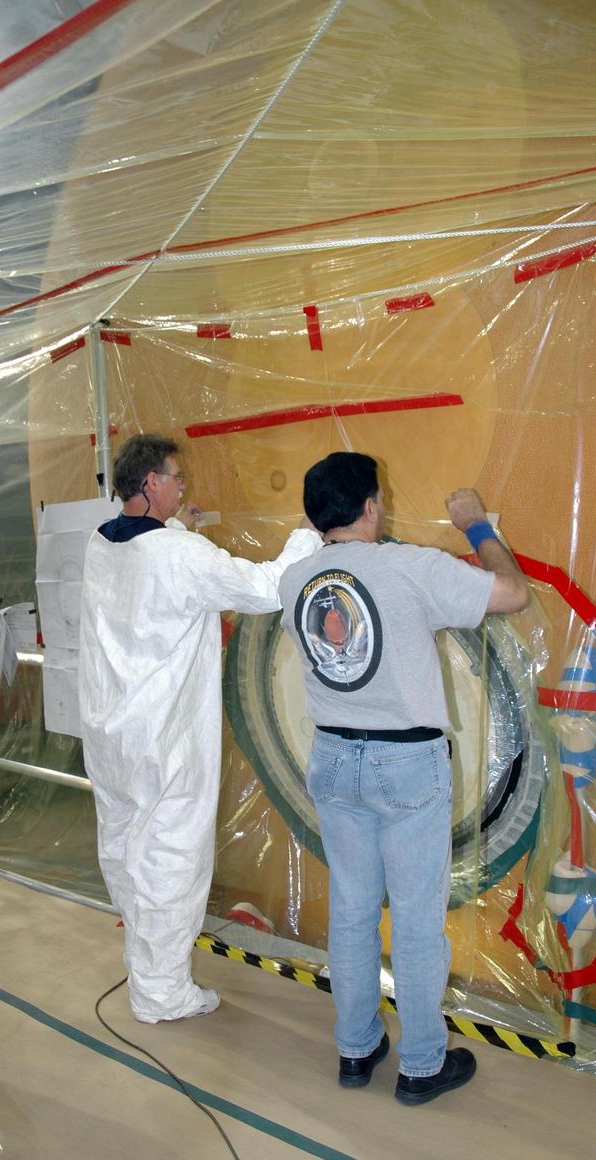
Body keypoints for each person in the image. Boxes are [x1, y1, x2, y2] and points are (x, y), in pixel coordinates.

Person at [279, 452, 529, 1105]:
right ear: (370, 506)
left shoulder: (295, 580)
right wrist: (475, 528)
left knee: (353, 912)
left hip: (332, 760)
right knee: (416, 921)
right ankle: (420, 1065)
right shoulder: (409, 568)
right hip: (405, 764)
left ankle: (356, 1051)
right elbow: (513, 593)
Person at [78, 434, 321, 1023]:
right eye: (176, 478)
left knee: (126, 849)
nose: (184, 486)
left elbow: (157, 570)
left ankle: (146, 964)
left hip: (113, 734)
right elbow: (266, 587)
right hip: (166, 738)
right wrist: (308, 534)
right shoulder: (179, 557)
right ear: (151, 484)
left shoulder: (100, 543)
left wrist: (179, 528)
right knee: (170, 856)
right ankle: (160, 993)